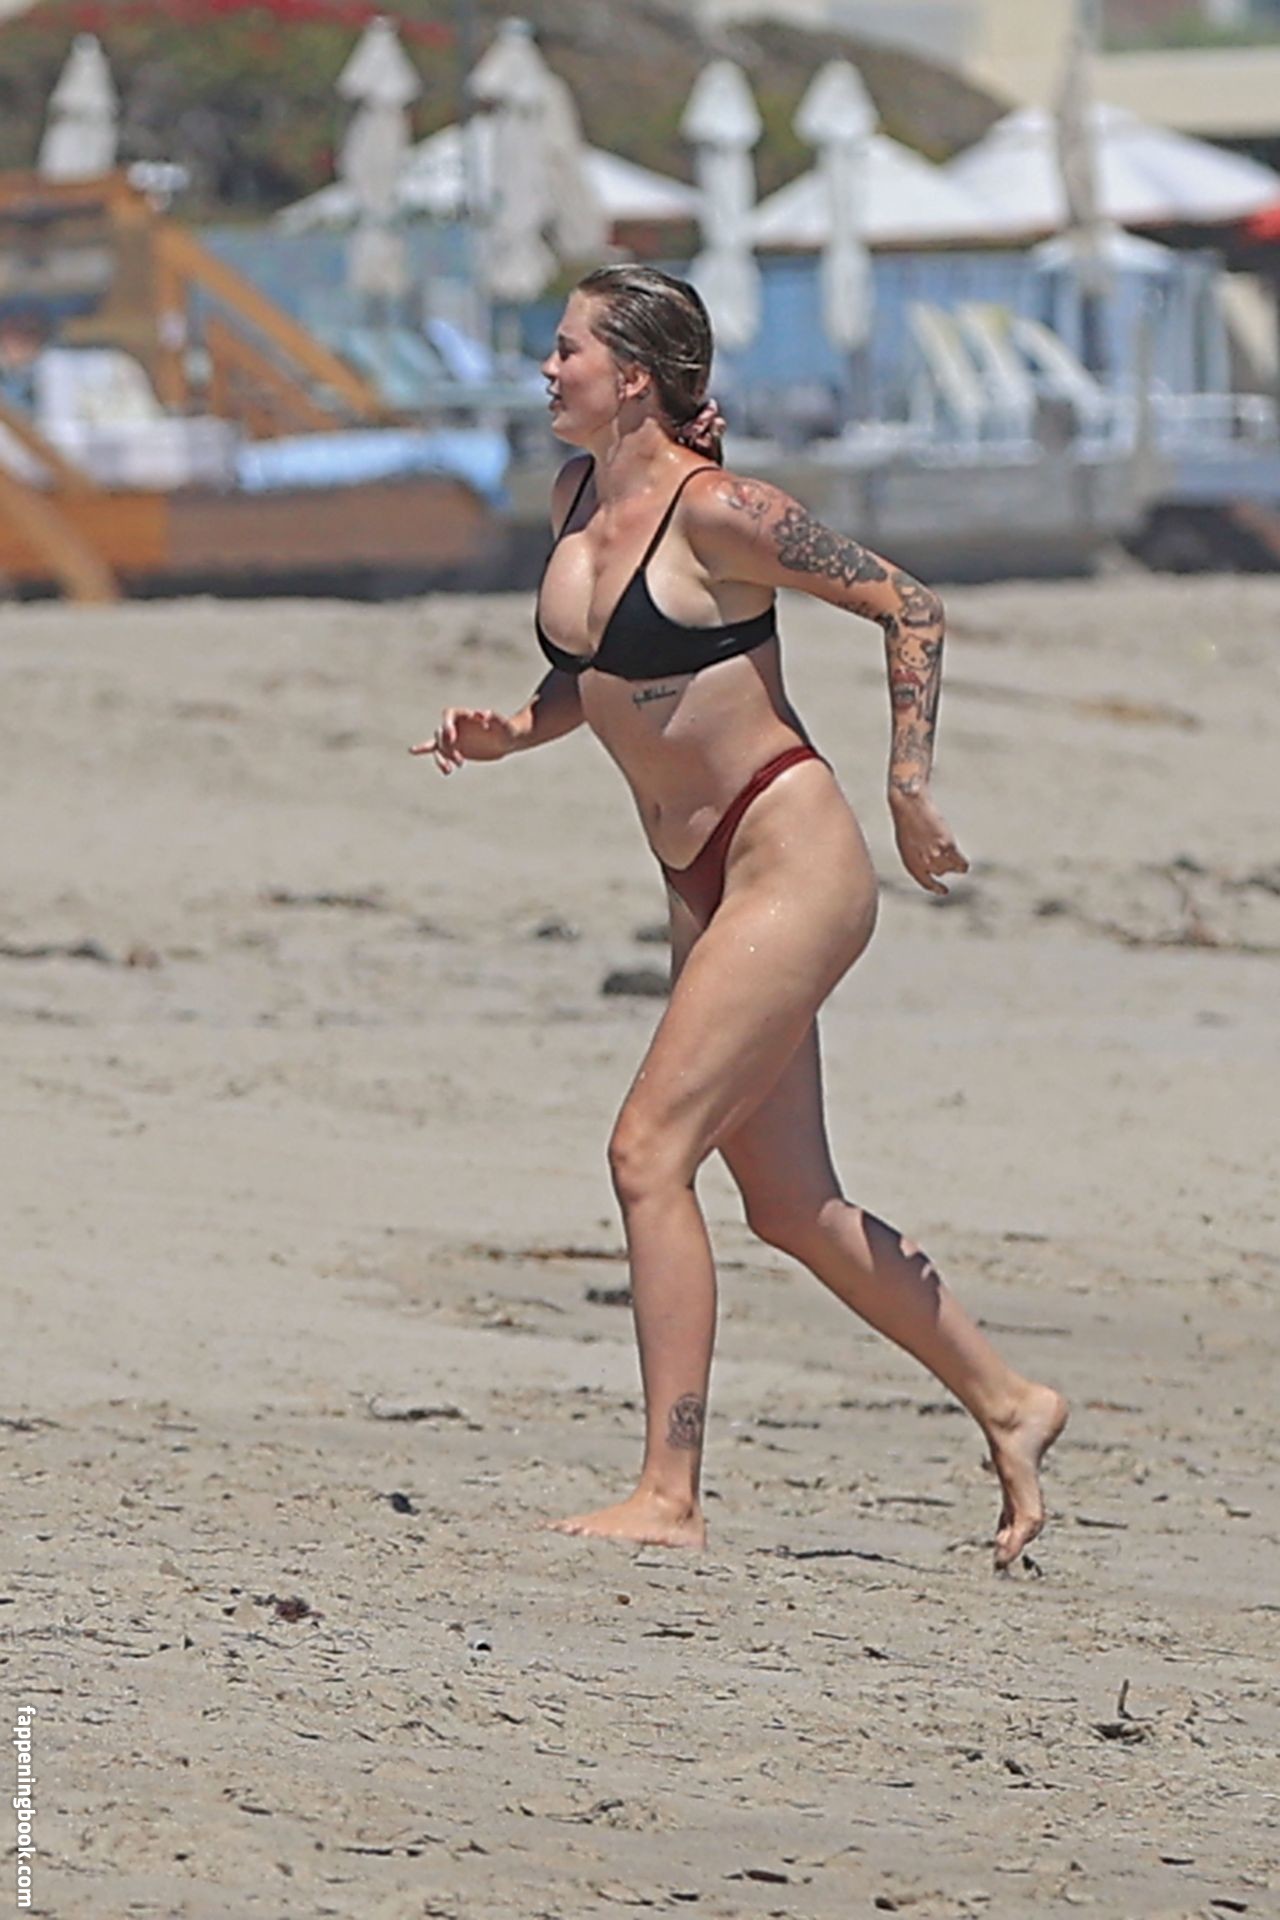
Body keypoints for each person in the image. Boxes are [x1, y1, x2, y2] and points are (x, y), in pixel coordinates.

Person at [412, 266, 1067, 1569]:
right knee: (788, 1203)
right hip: (696, 879)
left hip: (788, 859)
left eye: (566, 350)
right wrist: (515, 731)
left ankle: (670, 1494)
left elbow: (908, 605)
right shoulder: (574, 497)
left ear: (632, 378)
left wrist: (908, 788)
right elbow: (602, 672)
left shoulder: (722, 513)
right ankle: (1011, 1401)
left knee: (647, 1155)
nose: (546, 370)